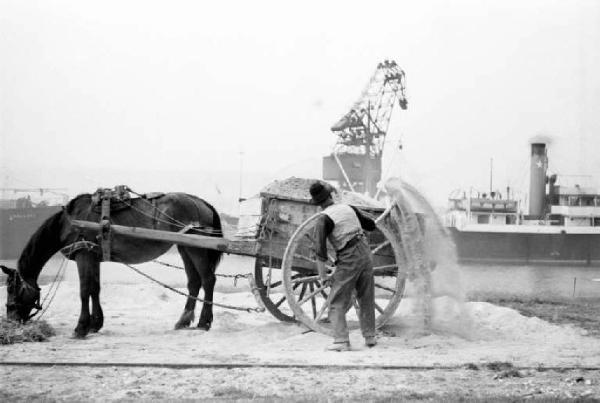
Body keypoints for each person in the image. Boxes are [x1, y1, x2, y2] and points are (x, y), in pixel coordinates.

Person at [309, 181, 377, 352]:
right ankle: (370, 337)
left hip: (349, 256)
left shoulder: (323, 219)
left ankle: (341, 341)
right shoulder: (348, 208)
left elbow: (320, 251)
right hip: (365, 251)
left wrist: (323, 276)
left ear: (318, 204)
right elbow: (371, 225)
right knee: (366, 296)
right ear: (331, 196)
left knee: (336, 301)